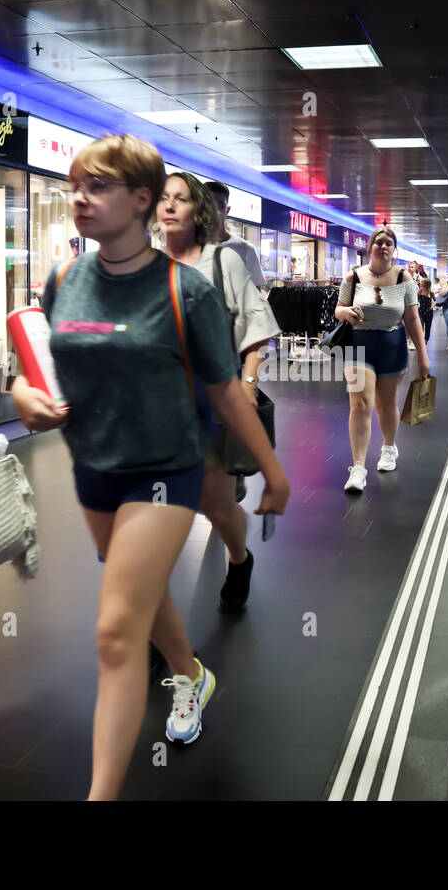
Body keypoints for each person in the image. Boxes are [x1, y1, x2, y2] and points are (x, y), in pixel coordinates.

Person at [12, 134, 289, 800]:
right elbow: (34, 374)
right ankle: (190, 672)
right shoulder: (62, 281)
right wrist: (26, 400)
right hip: (94, 468)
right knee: (143, 590)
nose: (80, 197)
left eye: (98, 186)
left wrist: (273, 471)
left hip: (168, 467)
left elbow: (226, 390)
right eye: (75, 185)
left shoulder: (185, 290)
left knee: (114, 632)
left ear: (141, 200)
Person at [160, 171, 282, 612]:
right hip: (159, 407)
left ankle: (239, 557)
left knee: (216, 502)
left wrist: (248, 384)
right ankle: (158, 632)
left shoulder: (224, 262)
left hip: (212, 401)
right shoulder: (147, 264)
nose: (170, 208)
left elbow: (257, 325)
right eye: (165, 200)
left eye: (181, 200)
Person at [336, 227, 430, 493]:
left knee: (386, 403)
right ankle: (358, 467)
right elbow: (338, 310)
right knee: (361, 402)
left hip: (392, 343)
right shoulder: (353, 277)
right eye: (379, 242)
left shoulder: (404, 277)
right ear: (370, 247)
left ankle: (388, 448)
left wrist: (422, 355)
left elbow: (412, 318)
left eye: (389, 243)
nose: (384, 247)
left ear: (394, 249)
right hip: (358, 343)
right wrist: (346, 313)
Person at [205, 181, 267, 293]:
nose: (216, 212)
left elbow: (256, 296)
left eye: (221, 206)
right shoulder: (190, 248)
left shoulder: (245, 249)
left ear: (227, 210)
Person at [416, 277, 434, 347]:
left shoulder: (430, 292)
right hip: (421, 311)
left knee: (428, 326)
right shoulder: (419, 291)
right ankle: (420, 340)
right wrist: (417, 305)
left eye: (421, 282)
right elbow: (415, 299)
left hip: (429, 311)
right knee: (420, 325)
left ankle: (426, 340)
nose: (420, 283)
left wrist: (432, 307)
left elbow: (435, 301)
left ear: (426, 284)